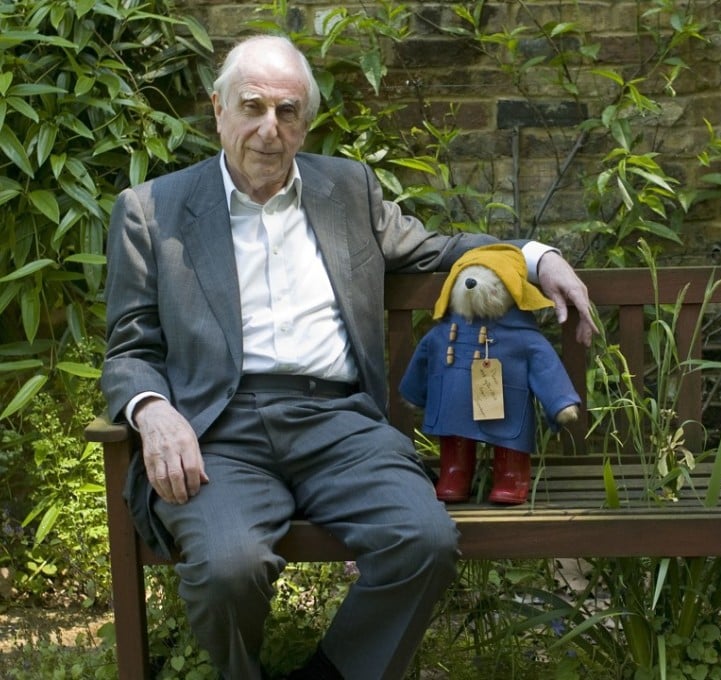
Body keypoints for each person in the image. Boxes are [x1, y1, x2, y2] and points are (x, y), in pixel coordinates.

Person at [100, 34, 596, 680]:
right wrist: (152, 409)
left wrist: (536, 256)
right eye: (251, 106)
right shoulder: (151, 211)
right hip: (217, 431)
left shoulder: (347, 189)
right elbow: (130, 343)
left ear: (305, 123)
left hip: (338, 424)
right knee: (228, 568)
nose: (268, 129)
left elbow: (438, 251)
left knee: (425, 540)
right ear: (217, 110)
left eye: (287, 112)